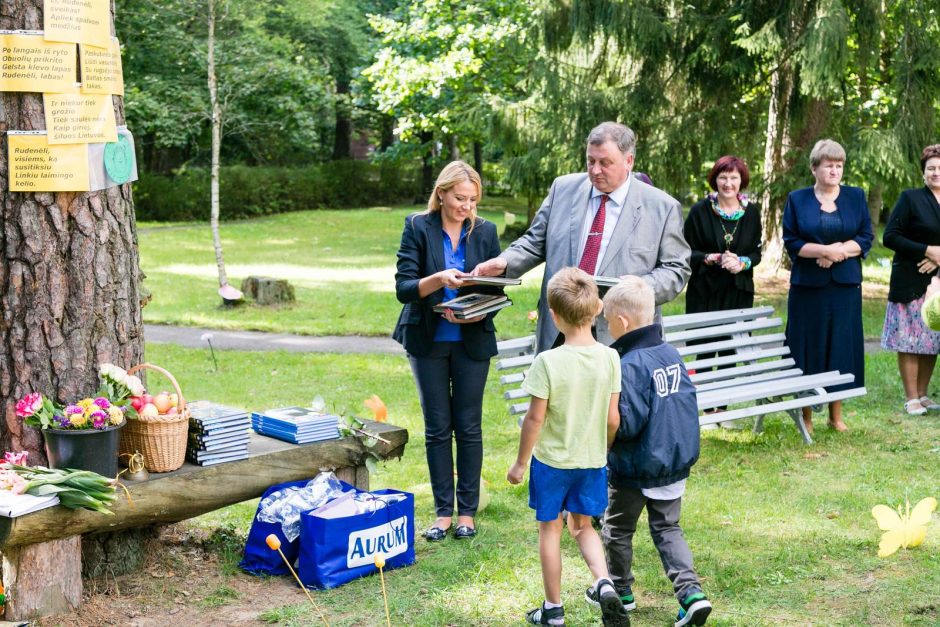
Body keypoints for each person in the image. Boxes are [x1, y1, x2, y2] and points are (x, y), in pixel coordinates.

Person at [473, 121, 691, 353]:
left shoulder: (661, 207)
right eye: (590, 161)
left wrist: (639, 288)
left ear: (629, 161)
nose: (595, 170)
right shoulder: (563, 189)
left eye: (605, 163)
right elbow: (535, 242)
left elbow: (676, 269)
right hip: (561, 331)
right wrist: (505, 261)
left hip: (624, 335)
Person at [506, 267, 629, 627]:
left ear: (555, 317)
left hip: (552, 463)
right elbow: (613, 419)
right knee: (584, 527)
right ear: (597, 309)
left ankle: (554, 609)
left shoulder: (548, 361)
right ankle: (604, 582)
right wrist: (601, 451)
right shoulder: (610, 357)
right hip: (591, 462)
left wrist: (519, 463)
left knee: (551, 530)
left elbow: (534, 420)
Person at [393, 161, 502, 541]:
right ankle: (442, 513)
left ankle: (466, 514)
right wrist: (438, 280)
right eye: (459, 198)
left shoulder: (485, 231)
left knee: (469, 427)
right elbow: (404, 288)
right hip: (427, 339)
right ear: (440, 193)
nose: (466, 207)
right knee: (438, 428)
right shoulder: (417, 226)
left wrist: (476, 307)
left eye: (472, 200)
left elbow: (497, 289)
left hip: (472, 341)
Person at [601, 277, 712, 627]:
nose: (607, 328)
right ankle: (691, 594)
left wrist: (605, 440)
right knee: (668, 529)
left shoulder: (630, 364)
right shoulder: (670, 353)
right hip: (673, 462)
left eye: (607, 322)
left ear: (621, 322)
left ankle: (621, 591)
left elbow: (628, 424)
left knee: (617, 528)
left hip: (636, 467)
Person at [782, 139, 873, 433]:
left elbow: (866, 237)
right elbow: (792, 241)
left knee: (841, 346)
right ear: (814, 168)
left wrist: (837, 252)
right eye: (828, 165)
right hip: (808, 289)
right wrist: (823, 252)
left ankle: (836, 415)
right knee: (808, 348)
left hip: (845, 287)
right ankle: (806, 415)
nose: (835, 170)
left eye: (839, 165)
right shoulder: (797, 200)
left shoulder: (856, 197)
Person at [881, 144, 940, 415]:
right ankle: (911, 397)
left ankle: (924, 394)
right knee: (910, 338)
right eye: (931, 168)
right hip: (910, 279)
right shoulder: (910, 198)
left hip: (938, 282)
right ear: (923, 173)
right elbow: (890, 236)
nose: (936, 173)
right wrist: (926, 250)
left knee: (932, 338)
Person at [683, 155, 762, 313]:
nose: (728, 184)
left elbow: (756, 254)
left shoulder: (752, 213)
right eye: (723, 177)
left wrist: (741, 263)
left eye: (734, 178)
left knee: (738, 337)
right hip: (703, 293)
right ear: (715, 180)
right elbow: (684, 252)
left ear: (742, 180)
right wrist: (711, 258)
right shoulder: (699, 212)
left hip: (739, 293)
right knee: (704, 338)